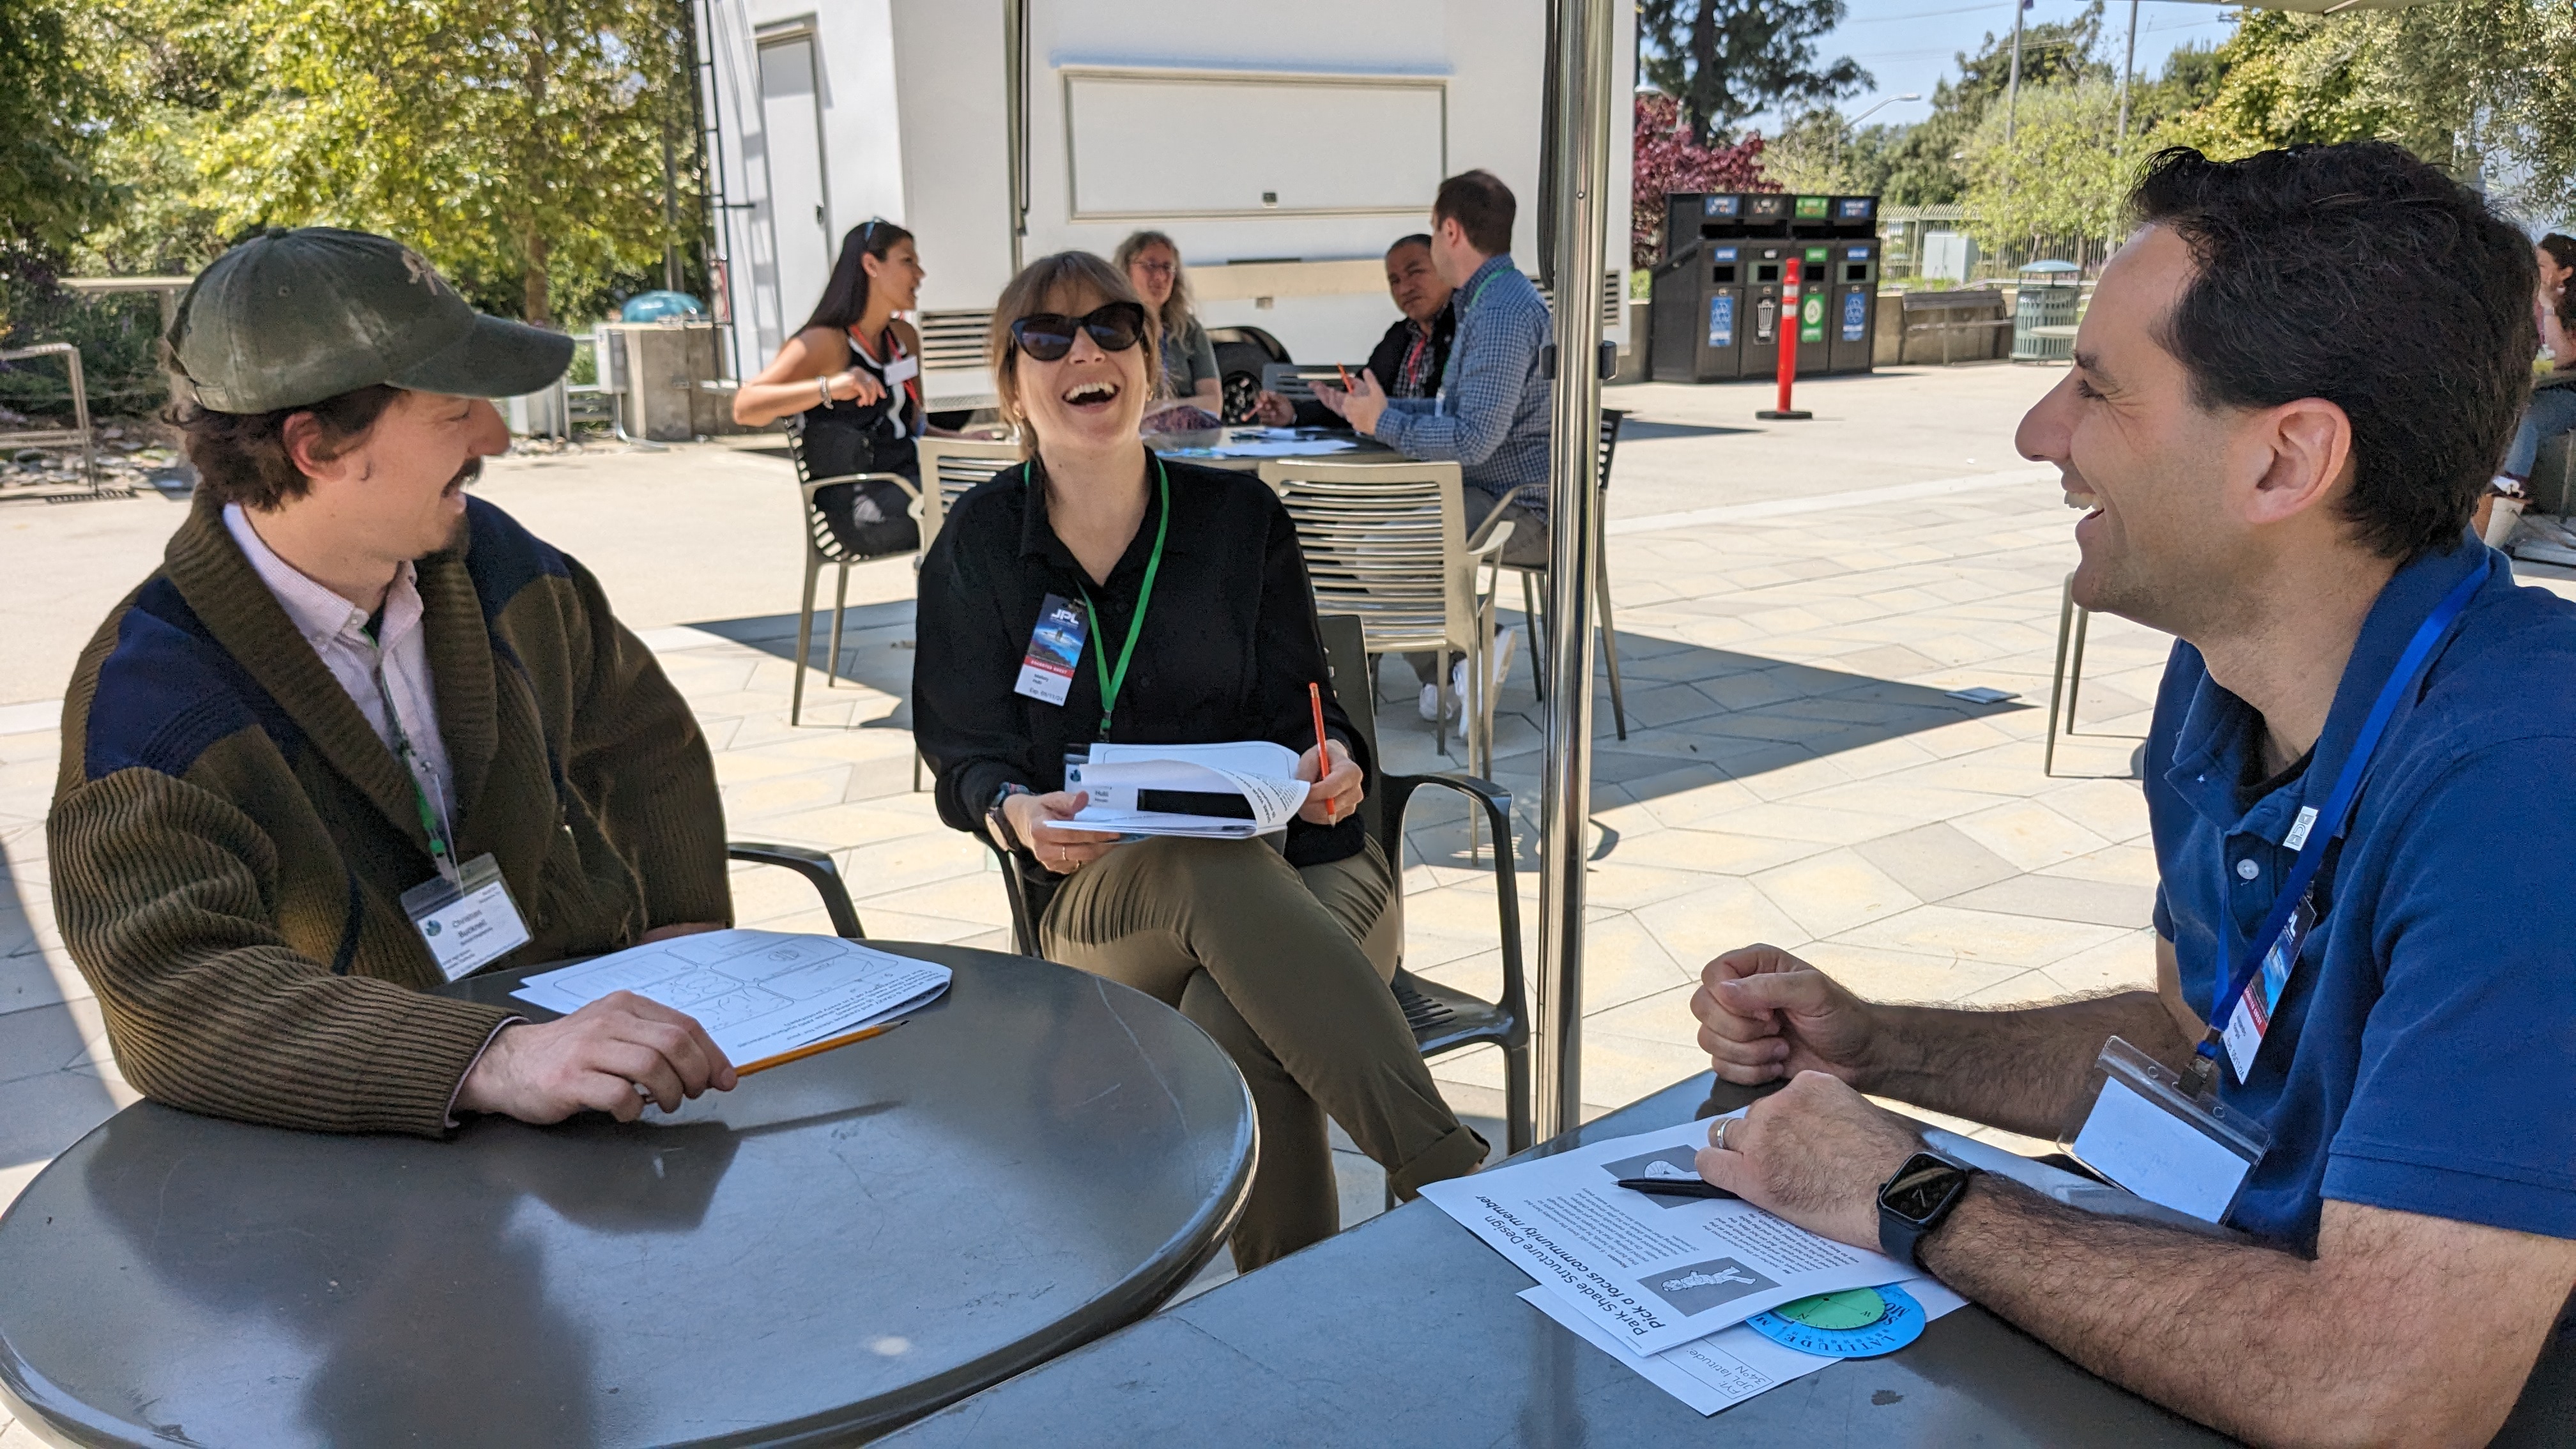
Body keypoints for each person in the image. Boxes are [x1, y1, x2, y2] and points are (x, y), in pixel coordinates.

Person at [1685, 144, 2576, 1444]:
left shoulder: (2528, 784)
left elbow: (2387, 1391)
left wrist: (1909, 1190)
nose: (2040, 431)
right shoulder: (2221, 687)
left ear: (2286, 463)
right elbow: (2204, 1049)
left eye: (2100, 388)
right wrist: (1883, 1046)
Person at [49, 227, 740, 1136]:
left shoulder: (502, 563)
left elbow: (646, 738)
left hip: (594, 1074)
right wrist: (491, 1057)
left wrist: (685, 935)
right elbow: (173, 992)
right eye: (455, 412)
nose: (495, 435)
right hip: (372, 1152)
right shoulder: (149, 702)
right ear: (317, 449)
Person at [910, 251, 1487, 1271]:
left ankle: (1293, 1323)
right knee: (1194, 863)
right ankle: (1453, 1182)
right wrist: (1014, 810)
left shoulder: (1237, 520)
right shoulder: (979, 546)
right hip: (1104, 898)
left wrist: (1335, 760)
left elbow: (1317, 710)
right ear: (1011, 385)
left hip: (1311, 876)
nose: (1086, 350)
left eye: (1113, 327)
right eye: (1048, 337)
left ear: (1148, 357)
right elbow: (962, 749)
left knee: (1240, 1017)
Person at [1310, 171, 1551, 570]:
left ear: (1451, 232)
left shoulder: (1500, 313)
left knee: (1376, 558)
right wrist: (1375, 411)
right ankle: (1456, 630)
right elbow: (1451, 413)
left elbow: (1472, 441)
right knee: (1339, 530)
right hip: (1482, 492)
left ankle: (1476, 635)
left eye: (1433, 231)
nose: (1434, 243)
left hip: (1517, 508)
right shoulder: (1486, 299)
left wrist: (1384, 422)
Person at [732, 220, 984, 555]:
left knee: (1008, 491)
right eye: (908, 261)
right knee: (982, 508)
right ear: (870, 265)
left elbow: (913, 425)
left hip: (910, 479)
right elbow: (746, 407)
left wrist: (961, 441)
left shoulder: (904, 338)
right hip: (864, 507)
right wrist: (829, 388)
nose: (920, 274)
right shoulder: (826, 343)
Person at [1252, 233, 1457, 429]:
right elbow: (1358, 403)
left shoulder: (1468, 330)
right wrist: (1294, 414)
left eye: (1415, 273)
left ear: (1445, 269)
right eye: (1395, 281)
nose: (1404, 289)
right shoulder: (1402, 335)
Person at [2491, 233, 2576, 542]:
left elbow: (2564, 357)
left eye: (2541, 264)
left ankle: (2505, 504)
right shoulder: (2524, 303)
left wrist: (2549, 306)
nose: (2534, 269)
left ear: (2564, 272)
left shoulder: (2564, 309)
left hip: (2564, 393)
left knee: (2524, 423)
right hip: (2529, 389)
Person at [1113, 230, 1223, 425]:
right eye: (1150, 266)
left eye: (1167, 267)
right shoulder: (1111, 328)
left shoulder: (1188, 329)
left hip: (1186, 441)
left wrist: (1162, 409)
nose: (1160, 276)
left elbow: (1214, 404)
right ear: (1125, 270)